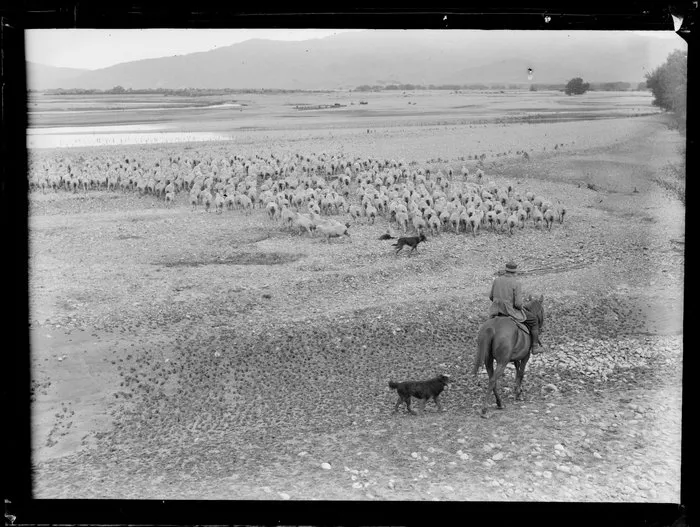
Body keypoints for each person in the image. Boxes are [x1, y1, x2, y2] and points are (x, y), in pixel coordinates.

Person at [488, 261, 545, 354]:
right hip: (509, 312)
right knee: (534, 320)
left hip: (495, 311)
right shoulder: (516, 283)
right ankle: (535, 347)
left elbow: (491, 297)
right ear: (515, 272)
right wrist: (520, 306)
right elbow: (518, 304)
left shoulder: (496, 280)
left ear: (506, 270)